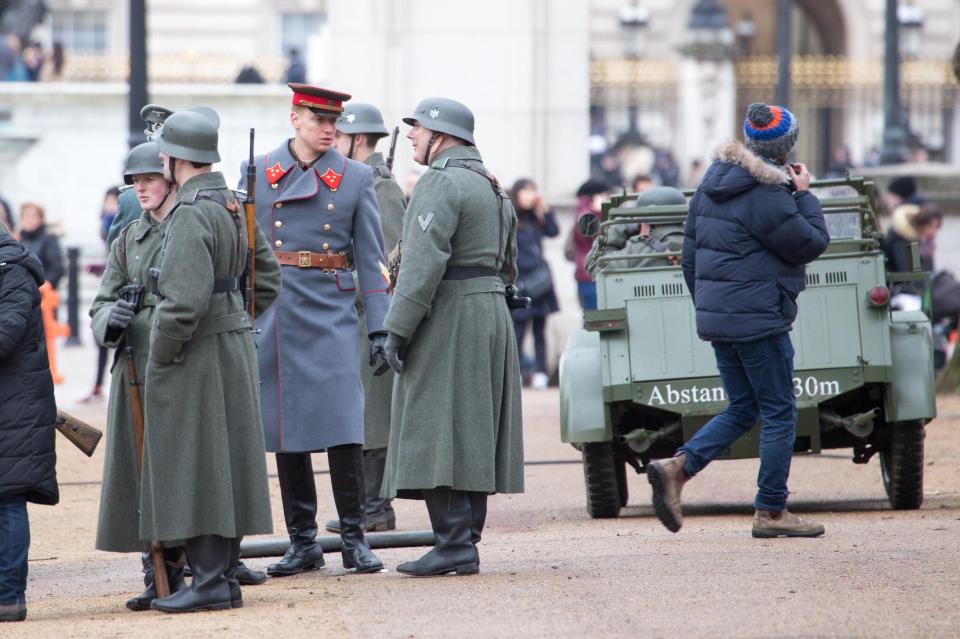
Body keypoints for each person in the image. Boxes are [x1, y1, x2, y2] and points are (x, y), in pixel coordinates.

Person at [647, 103, 830, 538]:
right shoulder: (769, 193)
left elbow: (689, 258)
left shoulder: (710, 181)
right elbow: (811, 243)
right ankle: (771, 511)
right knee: (779, 409)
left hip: (720, 317)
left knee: (745, 406)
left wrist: (711, 305)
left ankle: (679, 468)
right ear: (787, 149)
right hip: (759, 318)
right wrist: (803, 193)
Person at [246, 83, 390, 578]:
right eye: (319, 119)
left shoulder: (354, 179)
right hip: (278, 309)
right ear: (295, 119)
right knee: (287, 430)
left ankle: (355, 538)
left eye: (335, 121)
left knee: (344, 424)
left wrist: (379, 328)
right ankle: (302, 541)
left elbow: (371, 259)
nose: (330, 129)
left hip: (330, 307)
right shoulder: (259, 175)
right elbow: (245, 254)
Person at [142, 108, 282, 613]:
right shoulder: (230, 204)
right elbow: (266, 280)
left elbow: (180, 304)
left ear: (178, 158)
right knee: (226, 463)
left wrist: (162, 354)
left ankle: (206, 582)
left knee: (197, 463)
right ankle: (222, 577)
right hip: (233, 341)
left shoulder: (189, 212)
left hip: (196, 350)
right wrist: (234, 319)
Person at [379, 97, 524, 576]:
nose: (413, 138)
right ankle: (464, 540)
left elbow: (421, 264)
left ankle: (453, 541)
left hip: (451, 312)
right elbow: (508, 261)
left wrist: (396, 330)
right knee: (472, 428)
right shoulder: (492, 184)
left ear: (441, 135)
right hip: (489, 310)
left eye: (418, 130)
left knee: (435, 425)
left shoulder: (440, 181)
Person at [90, 142, 184, 610]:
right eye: (134, 181)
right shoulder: (127, 238)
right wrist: (115, 318)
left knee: (181, 468)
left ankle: (197, 567)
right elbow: (100, 304)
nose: (140, 187)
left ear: (169, 178)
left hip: (179, 363)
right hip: (134, 367)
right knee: (141, 473)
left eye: (148, 178)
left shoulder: (186, 227)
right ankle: (157, 573)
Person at [323, 102, 406, 535]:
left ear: (356, 140)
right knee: (356, 414)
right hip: (351, 314)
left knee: (372, 415)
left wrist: (338, 281)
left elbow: (387, 265)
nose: (330, 144)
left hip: (371, 316)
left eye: (337, 137)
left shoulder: (380, 186)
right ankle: (364, 506)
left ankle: (376, 507)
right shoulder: (358, 182)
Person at [0, 220, 59, 623]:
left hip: (14, 407)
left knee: (7, 500)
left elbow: (6, 336)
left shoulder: (12, 270)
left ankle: (8, 596)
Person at [509, 178, 559, 390]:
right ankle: (518, 372)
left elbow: (553, 231)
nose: (530, 196)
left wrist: (544, 210)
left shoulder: (535, 217)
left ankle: (540, 372)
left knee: (540, 331)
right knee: (518, 331)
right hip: (521, 280)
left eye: (532, 192)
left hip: (540, 281)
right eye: (526, 192)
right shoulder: (512, 217)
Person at [568, 179, 610, 310]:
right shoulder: (586, 214)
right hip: (590, 272)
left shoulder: (582, 211)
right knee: (593, 319)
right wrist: (600, 211)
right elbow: (600, 236)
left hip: (588, 272)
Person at [17, 203, 63, 289]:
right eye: (26, 217)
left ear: (41, 219)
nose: (29, 220)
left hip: (43, 290)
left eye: (33, 217)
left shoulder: (49, 239)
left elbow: (57, 267)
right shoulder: (17, 240)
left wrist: (48, 283)